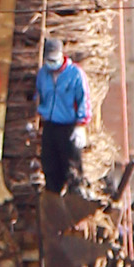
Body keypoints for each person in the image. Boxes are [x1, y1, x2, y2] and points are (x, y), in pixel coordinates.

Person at [35, 36, 91, 190]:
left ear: (62, 56)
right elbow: (39, 96)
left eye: (55, 59)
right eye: (49, 60)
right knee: (50, 166)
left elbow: (83, 100)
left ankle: (75, 197)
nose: (52, 63)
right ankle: (53, 197)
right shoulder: (43, 74)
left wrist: (81, 125)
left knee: (72, 168)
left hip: (68, 127)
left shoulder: (75, 74)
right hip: (50, 126)